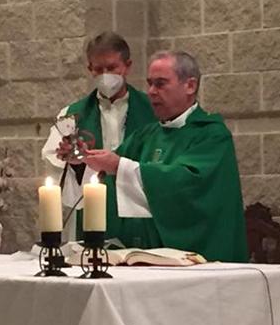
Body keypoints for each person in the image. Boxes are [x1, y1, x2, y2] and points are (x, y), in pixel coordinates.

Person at [83, 50, 248, 262]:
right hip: (146, 259)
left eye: (160, 84)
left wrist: (119, 167)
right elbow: (109, 175)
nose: (151, 91)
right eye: (150, 83)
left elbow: (188, 183)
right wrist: (82, 161)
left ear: (190, 85)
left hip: (200, 262)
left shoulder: (211, 135)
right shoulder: (146, 135)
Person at [40, 32, 156, 239]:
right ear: (89, 69)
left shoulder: (153, 111)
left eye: (112, 68)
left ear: (127, 66)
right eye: (98, 69)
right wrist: (74, 163)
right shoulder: (72, 115)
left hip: (141, 209)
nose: (105, 75)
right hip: (91, 209)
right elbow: (54, 164)